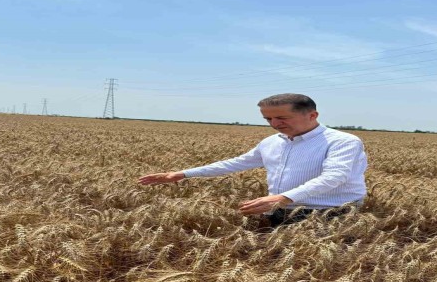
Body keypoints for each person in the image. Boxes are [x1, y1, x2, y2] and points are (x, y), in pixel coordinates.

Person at [138, 93, 368, 227]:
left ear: (312, 115)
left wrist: (283, 197)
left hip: (328, 215)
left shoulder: (342, 141)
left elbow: (334, 177)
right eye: (268, 118)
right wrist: (182, 174)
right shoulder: (272, 142)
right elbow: (236, 162)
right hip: (279, 211)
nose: (275, 123)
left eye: (282, 117)